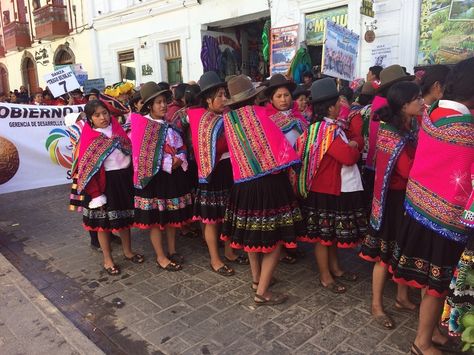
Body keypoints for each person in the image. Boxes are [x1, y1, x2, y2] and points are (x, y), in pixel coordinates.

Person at [388, 58, 474, 355]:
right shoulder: (466, 130)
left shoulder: (433, 112)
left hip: (419, 209)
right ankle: (421, 343)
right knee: (437, 287)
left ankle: (433, 333)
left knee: (429, 284)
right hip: (446, 222)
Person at [221, 75, 305, 305]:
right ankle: (263, 292)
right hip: (269, 185)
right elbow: (281, 149)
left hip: (243, 186)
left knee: (252, 237)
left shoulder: (229, 120)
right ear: (253, 96)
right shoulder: (261, 115)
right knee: (275, 241)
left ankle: (257, 279)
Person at [359, 81, 422, 329]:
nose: (422, 102)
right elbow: (407, 170)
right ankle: (376, 304)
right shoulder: (392, 132)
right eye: (417, 98)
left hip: (406, 198)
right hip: (392, 201)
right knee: (384, 256)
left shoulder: (409, 126)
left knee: (403, 250)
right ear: (404, 105)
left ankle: (401, 297)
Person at [295, 78, 366, 294]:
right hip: (325, 190)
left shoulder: (319, 128)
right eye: (338, 105)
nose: (341, 108)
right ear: (329, 107)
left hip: (327, 187)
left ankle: (335, 269)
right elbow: (348, 157)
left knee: (330, 236)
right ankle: (325, 276)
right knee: (324, 238)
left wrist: (352, 144)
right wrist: (354, 146)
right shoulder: (328, 131)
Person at [188, 71, 247, 276]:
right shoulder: (204, 121)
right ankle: (215, 259)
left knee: (228, 215)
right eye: (220, 95)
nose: (224, 99)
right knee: (211, 220)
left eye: (225, 94)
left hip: (229, 170)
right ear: (207, 99)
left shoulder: (225, 117)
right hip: (211, 173)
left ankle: (230, 252)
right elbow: (217, 148)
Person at [75, 100, 143, 275]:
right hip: (103, 186)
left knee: (125, 219)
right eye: (97, 115)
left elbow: (129, 150)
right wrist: (96, 194)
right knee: (102, 224)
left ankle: (128, 252)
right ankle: (108, 260)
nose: (102, 117)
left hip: (123, 180)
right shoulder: (89, 137)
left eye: (104, 113)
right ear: (90, 118)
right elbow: (86, 170)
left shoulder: (117, 130)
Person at [132, 82, 193, 271]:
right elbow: (142, 156)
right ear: (149, 105)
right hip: (154, 179)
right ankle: (160, 256)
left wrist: (180, 158)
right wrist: (168, 163)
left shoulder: (171, 126)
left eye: (165, 101)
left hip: (172, 178)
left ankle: (173, 250)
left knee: (171, 217)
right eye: (158, 102)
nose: (163, 106)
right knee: (156, 221)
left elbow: (182, 146)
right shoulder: (143, 127)